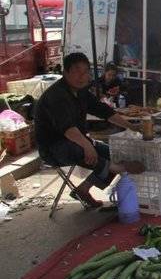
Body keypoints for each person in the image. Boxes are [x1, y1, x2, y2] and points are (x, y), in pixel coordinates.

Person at [34, 53, 144, 208]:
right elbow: (68, 129)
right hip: (53, 148)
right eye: (76, 71)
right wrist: (87, 146)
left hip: (76, 140)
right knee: (84, 150)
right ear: (65, 73)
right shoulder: (56, 96)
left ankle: (83, 190)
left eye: (85, 72)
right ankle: (121, 168)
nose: (82, 76)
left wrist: (132, 126)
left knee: (114, 153)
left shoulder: (81, 92)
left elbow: (103, 111)